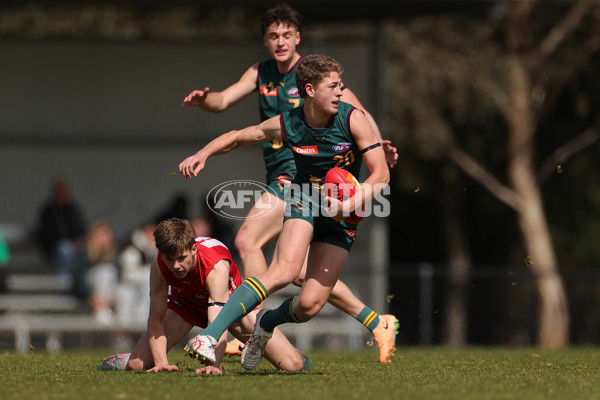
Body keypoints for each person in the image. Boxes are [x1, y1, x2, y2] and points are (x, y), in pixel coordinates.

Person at [181, 3, 398, 363]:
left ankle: (263, 324)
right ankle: (213, 334)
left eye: (286, 34)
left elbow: (380, 173)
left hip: (339, 206)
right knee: (281, 267)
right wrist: (204, 150)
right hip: (298, 189)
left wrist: (369, 162)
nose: (341, 91)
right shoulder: (285, 112)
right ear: (309, 90)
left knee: (309, 300)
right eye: (273, 35)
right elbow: (237, 132)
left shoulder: (348, 111)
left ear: (298, 37)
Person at [97, 218, 311, 373]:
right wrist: (161, 363)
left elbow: (219, 320)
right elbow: (155, 320)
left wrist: (214, 365)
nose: (176, 266)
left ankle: (293, 352)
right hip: (185, 308)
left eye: (181, 258)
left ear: (193, 249)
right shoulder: (160, 264)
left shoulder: (215, 263)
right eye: (169, 259)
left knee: (292, 365)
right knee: (138, 365)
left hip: (233, 311)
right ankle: (123, 359)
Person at [35, 178, 86, 279]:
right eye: (60, 192)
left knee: (87, 247)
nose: (63, 195)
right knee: (65, 249)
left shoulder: (72, 209)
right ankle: (65, 284)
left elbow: (80, 228)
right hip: (54, 249)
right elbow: (48, 235)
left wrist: (77, 241)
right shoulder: (48, 211)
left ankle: (82, 281)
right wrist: (69, 242)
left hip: (75, 246)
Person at [115, 222, 157, 327]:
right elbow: (128, 275)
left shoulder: (155, 252)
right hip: (127, 288)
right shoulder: (132, 251)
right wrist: (147, 273)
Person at [84, 220, 119, 324]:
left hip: (110, 295)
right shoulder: (84, 255)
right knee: (104, 272)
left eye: (107, 235)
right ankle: (102, 312)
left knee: (126, 293)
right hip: (93, 293)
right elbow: (79, 281)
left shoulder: (116, 256)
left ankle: (122, 333)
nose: (105, 239)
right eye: (101, 235)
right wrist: (91, 297)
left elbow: (120, 278)